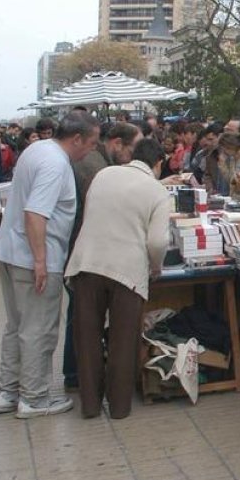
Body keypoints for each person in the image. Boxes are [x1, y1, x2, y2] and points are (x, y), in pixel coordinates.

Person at [0, 111, 99, 419]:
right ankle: (35, 397)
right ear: (76, 139)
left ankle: (9, 391)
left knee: (17, 326)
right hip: (35, 258)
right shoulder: (56, 164)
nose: (92, 149)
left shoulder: (37, 149)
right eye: (91, 143)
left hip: (10, 251)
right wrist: (40, 260)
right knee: (38, 330)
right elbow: (35, 213)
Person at [66, 137, 172, 419]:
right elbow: (158, 241)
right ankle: (119, 407)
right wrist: (156, 266)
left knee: (86, 337)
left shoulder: (104, 175)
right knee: (123, 340)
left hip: (87, 262)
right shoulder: (157, 190)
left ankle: (90, 405)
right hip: (127, 269)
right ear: (158, 163)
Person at [207, 132, 240, 197]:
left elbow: (234, 181)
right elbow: (230, 179)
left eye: (224, 148)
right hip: (231, 195)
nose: (223, 151)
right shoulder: (232, 159)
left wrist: (223, 166)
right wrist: (222, 165)